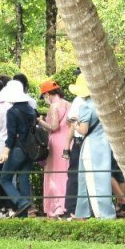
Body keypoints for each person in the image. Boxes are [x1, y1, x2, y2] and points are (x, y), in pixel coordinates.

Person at [69, 81, 115, 219]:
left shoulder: (86, 107)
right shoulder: (103, 105)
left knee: (91, 182)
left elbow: (83, 131)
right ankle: (101, 212)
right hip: (104, 146)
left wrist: (75, 124)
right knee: (103, 179)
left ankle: (102, 216)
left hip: (91, 147)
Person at [0, 79, 38, 216]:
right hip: (30, 149)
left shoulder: (12, 111)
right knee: (23, 178)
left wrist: (5, 151)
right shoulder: (31, 110)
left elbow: (11, 135)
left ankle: (21, 203)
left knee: (4, 179)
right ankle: (26, 212)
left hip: (17, 149)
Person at [39, 80, 71, 218]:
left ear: (47, 94)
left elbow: (53, 127)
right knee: (66, 173)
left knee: (54, 174)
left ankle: (56, 207)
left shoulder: (54, 106)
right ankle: (67, 204)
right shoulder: (69, 103)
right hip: (68, 141)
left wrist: (40, 121)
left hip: (56, 142)